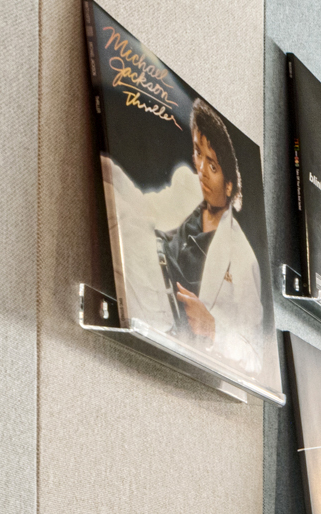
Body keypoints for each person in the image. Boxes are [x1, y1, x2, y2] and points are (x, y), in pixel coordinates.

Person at [100, 99, 264, 374]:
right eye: (198, 154)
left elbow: (255, 356)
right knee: (110, 177)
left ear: (229, 185)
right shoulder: (190, 187)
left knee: (125, 225)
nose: (200, 170)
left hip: (171, 324)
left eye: (212, 167)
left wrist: (212, 327)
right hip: (149, 272)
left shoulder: (243, 258)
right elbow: (145, 209)